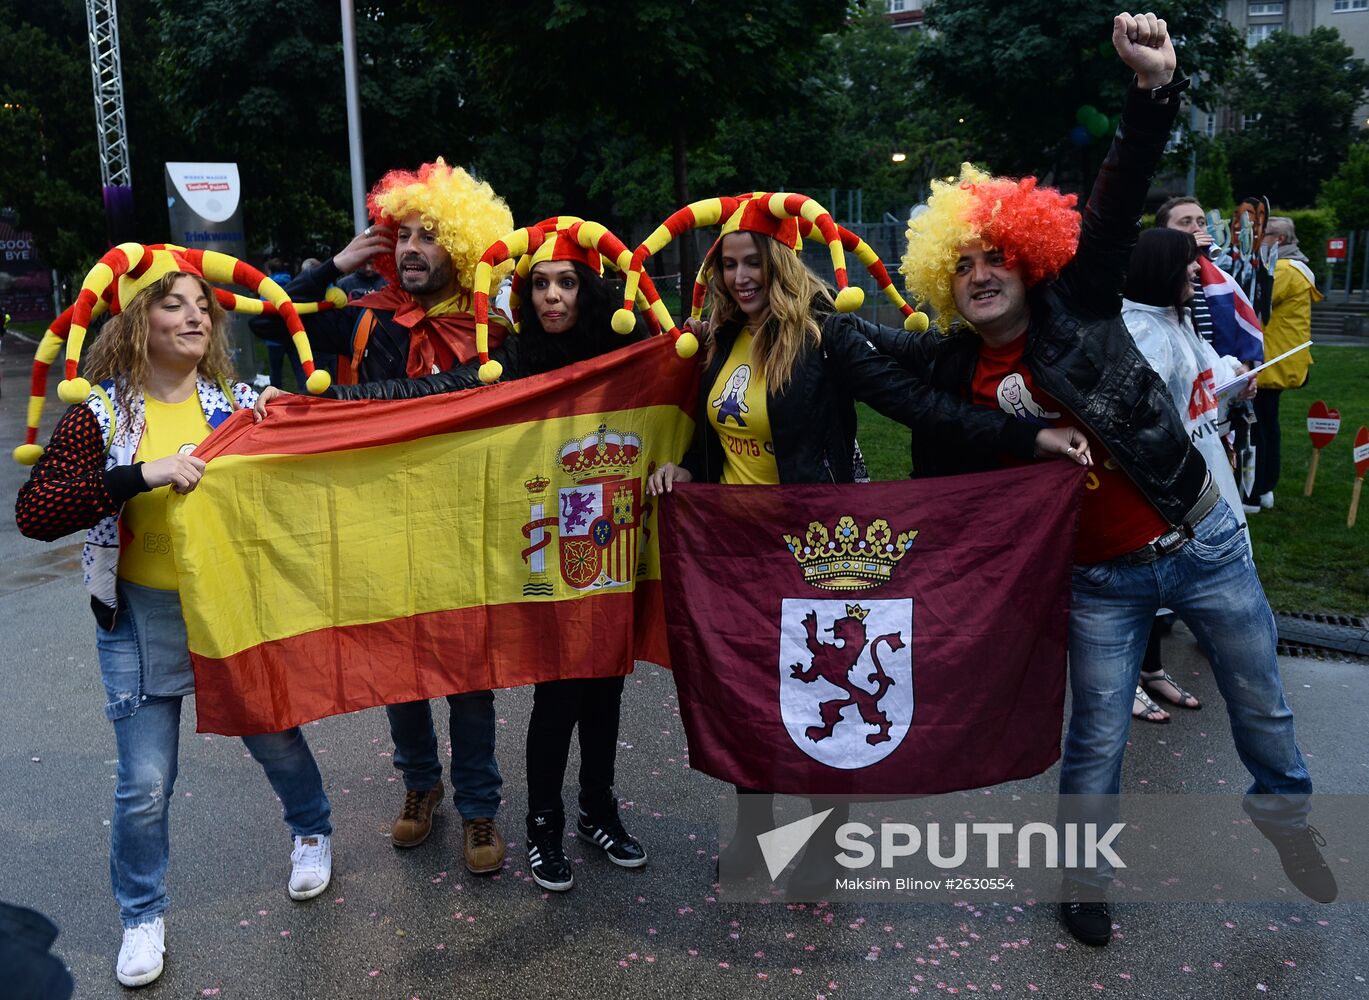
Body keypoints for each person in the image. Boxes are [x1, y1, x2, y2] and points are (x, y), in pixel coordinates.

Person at [877, 12, 1334, 945]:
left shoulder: (1078, 301)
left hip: (1201, 543)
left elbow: (1118, 192)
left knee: (1262, 709)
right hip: (1097, 583)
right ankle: (1080, 884)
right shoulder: (949, 367)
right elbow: (861, 358)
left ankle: (1284, 822)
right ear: (941, 285)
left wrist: (1152, 92)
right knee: (1093, 742)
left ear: (1026, 256)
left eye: (993, 255)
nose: (979, 275)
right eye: (959, 267)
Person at [641, 192, 1091, 897]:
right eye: (726, 265)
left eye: (751, 262)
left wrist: (1027, 437)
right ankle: (754, 835)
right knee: (749, 692)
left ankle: (823, 844)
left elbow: (919, 407)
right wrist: (683, 472)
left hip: (818, 545)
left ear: (782, 263)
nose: (739, 278)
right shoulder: (719, 343)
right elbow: (714, 444)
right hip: (738, 552)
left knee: (825, 695)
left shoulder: (827, 338)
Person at [307, 220, 664, 892]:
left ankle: (597, 810)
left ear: (589, 290)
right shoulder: (511, 360)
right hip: (530, 541)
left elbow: (680, 379)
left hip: (606, 537)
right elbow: (422, 393)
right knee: (554, 688)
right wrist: (325, 400)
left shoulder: (629, 348)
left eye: (566, 283)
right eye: (539, 284)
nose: (552, 296)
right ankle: (539, 826)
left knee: (606, 684)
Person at [15, 246, 334, 988]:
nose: (194, 314)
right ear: (136, 321)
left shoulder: (238, 402)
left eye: (201, 304)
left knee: (276, 740)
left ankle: (312, 831)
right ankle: (141, 916)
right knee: (144, 783)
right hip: (137, 616)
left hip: (227, 609)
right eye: (172, 303)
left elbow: (299, 488)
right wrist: (140, 474)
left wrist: (273, 437)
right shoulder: (99, 412)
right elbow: (35, 513)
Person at [250, 158, 515, 875]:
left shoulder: (492, 329)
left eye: (429, 236)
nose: (410, 249)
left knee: (466, 673)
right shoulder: (363, 317)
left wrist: (341, 405)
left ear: (459, 246)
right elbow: (264, 320)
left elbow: (480, 395)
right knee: (400, 668)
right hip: (380, 523)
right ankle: (419, 787)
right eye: (401, 234)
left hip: (466, 524)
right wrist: (330, 265)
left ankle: (480, 806)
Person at [1251, 215, 1320, 511]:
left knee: (1259, 427)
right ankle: (1265, 487)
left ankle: (1259, 487)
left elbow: (1253, 300)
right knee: (1267, 423)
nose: (1256, 239)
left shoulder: (1284, 270)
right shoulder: (1290, 268)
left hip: (1271, 362)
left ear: (1277, 240)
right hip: (1276, 361)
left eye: (1262, 234)